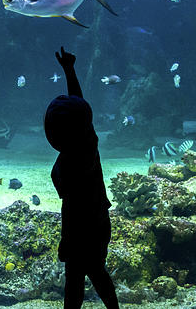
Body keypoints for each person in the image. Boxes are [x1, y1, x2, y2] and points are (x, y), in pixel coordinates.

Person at [44, 47, 119, 309]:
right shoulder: (88, 142)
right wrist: (69, 70)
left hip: (82, 229)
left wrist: (67, 241)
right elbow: (78, 107)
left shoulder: (73, 158)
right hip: (98, 223)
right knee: (97, 273)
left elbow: (77, 110)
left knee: (76, 280)